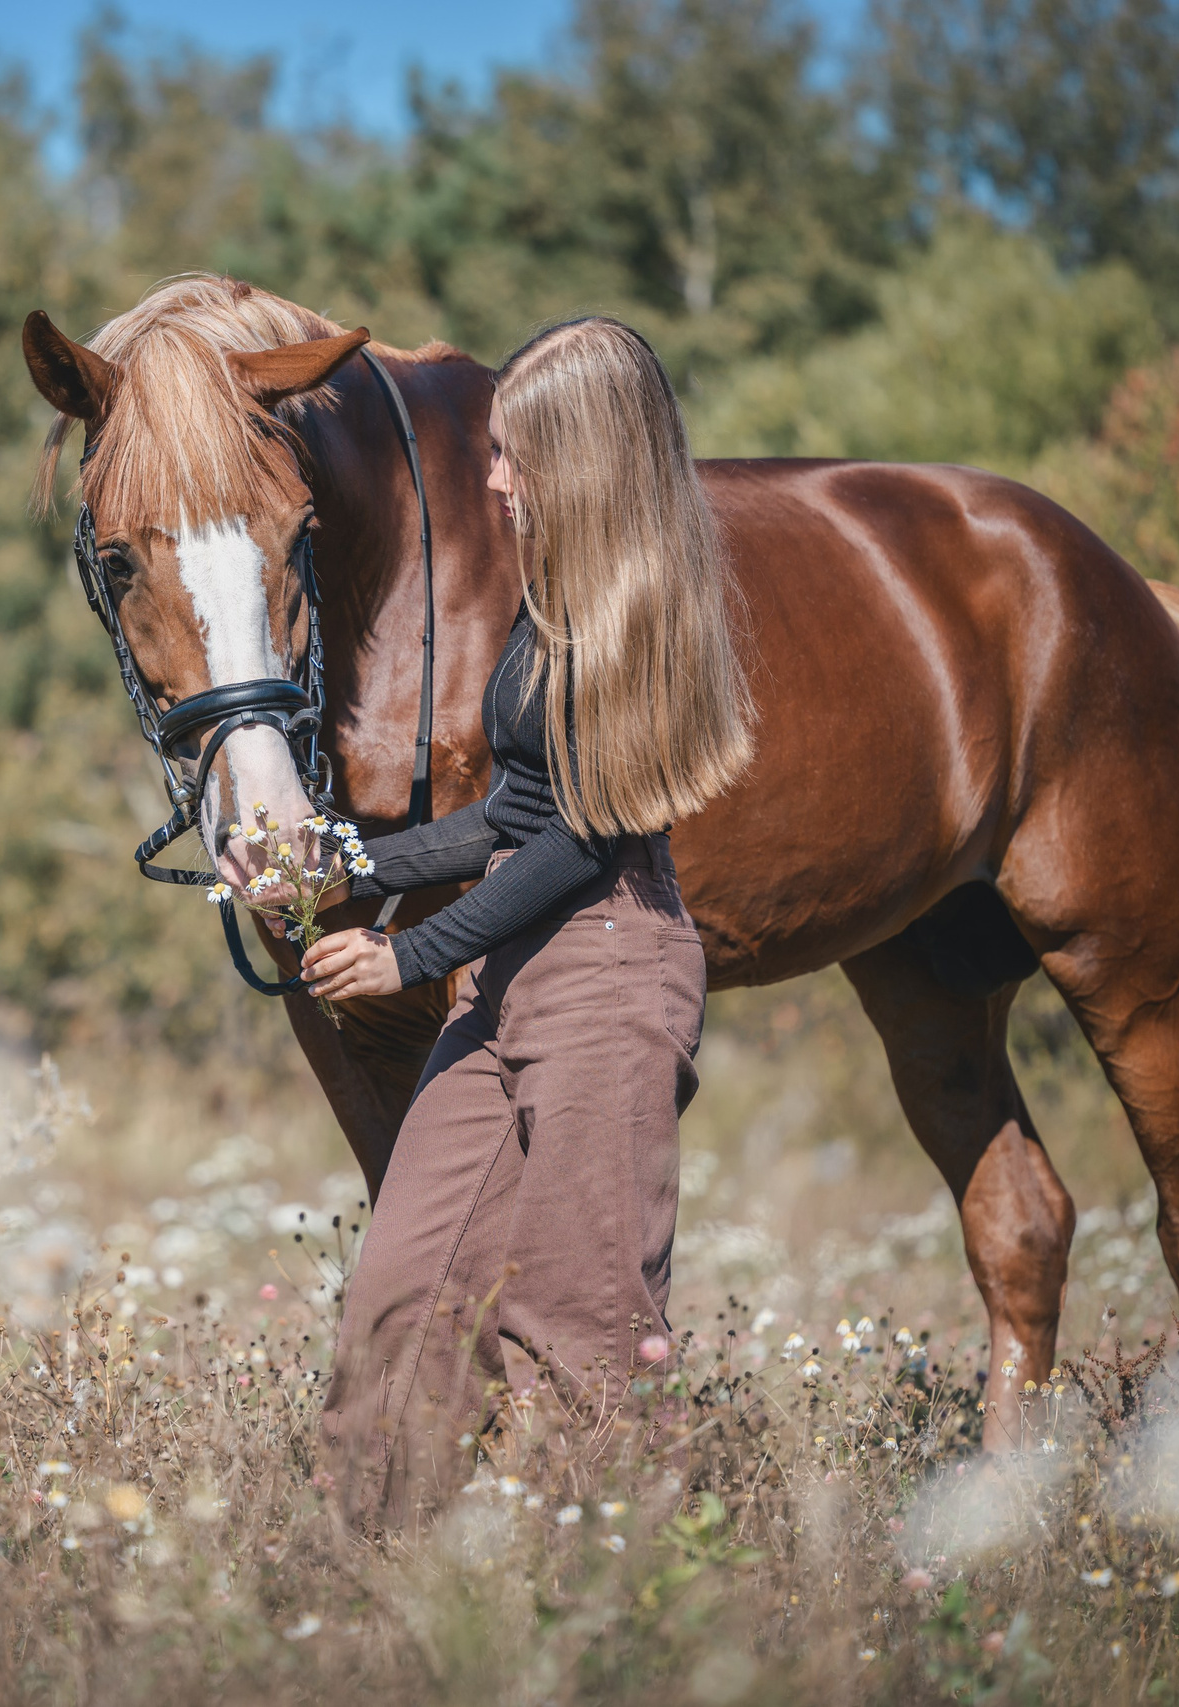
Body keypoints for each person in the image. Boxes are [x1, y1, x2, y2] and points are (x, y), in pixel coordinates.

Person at [288, 315, 757, 1524]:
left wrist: (405, 955)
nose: (494, 479)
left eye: (514, 454)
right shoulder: (546, 606)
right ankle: (368, 1580)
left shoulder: (635, 612)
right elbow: (512, 814)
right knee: (401, 1301)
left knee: (578, 1333)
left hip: (606, 979)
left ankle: (607, 1592)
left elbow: (582, 840)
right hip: (509, 981)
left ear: (585, 460)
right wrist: (337, 861)